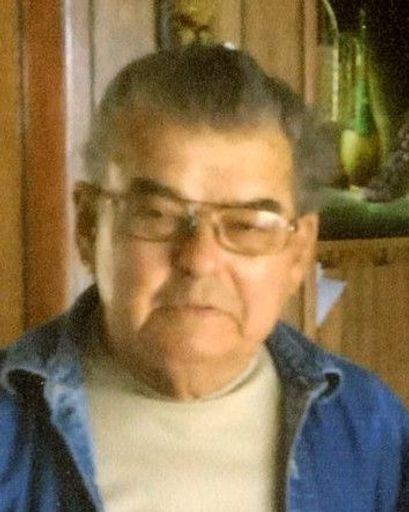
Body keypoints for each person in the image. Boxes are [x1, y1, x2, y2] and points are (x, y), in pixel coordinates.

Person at [0, 44, 408, 512]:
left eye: (247, 225)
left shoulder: (371, 434)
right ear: (89, 226)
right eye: (157, 215)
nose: (199, 259)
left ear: (299, 250)